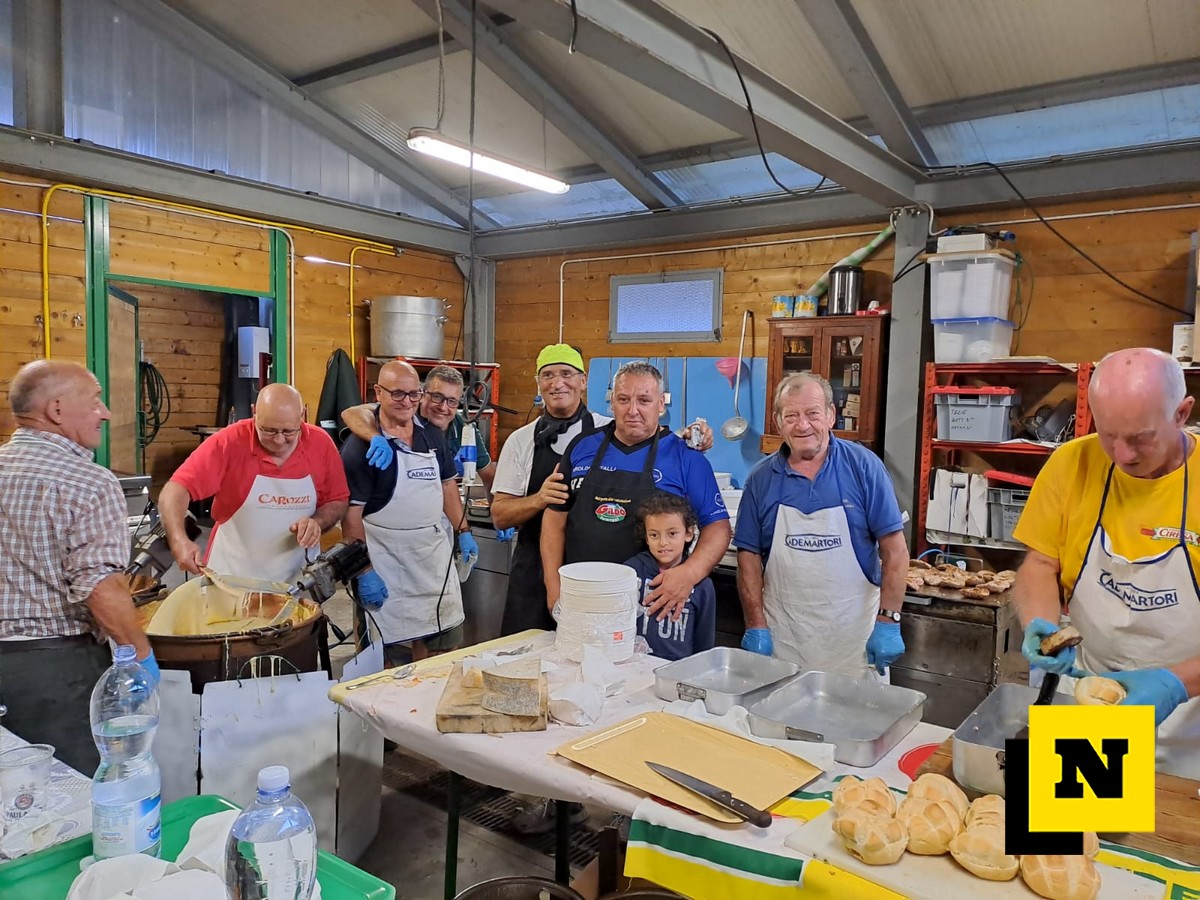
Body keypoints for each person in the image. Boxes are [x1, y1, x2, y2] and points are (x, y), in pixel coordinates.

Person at [1013, 347, 1200, 779]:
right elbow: (1040, 563)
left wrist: (1175, 684)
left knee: (1169, 826)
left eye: (1140, 438)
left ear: (1182, 413)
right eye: (1107, 434)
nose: (1121, 454)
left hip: (1190, 721)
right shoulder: (1070, 464)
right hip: (1090, 697)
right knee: (1068, 821)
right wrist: (1042, 624)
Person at [0, 360, 159, 772]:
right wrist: (141, 657)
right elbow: (99, 588)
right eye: (95, 401)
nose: (104, 413)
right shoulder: (88, 481)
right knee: (68, 792)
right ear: (56, 409)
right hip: (53, 672)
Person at [734, 372, 908, 680]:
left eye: (812, 414)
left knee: (857, 712)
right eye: (791, 416)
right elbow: (748, 558)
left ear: (830, 415)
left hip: (854, 646)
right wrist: (755, 625)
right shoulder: (760, 480)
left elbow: (894, 552)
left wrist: (889, 620)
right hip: (785, 643)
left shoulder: (864, 468)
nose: (802, 425)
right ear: (777, 421)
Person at [541, 361, 730, 623]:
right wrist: (553, 587)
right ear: (612, 403)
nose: (632, 410)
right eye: (623, 399)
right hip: (583, 599)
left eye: (644, 400)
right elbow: (555, 518)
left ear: (661, 405)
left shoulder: (686, 457)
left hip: (655, 605)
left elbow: (718, 527)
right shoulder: (583, 445)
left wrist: (689, 573)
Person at [340, 361, 477, 660]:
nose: (407, 401)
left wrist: (464, 530)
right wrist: (364, 570)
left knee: (442, 646)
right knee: (382, 657)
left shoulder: (432, 435)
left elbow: (447, 486)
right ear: (378, 392)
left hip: (432, 559)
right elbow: (350, 517)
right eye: (398, 394)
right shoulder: (361, 447)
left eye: (414, 394)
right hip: (386, 561)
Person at [159, 383, 349, 584]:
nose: (278, 440)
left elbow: (338, 500)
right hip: (231, 578)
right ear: (254, 412)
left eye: (288, 432)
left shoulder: (321, 444)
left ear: (301, 415)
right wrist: (178, 540)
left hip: (297, 582)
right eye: (269, 431)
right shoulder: (229, 442)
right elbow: (175, 490)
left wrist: (317, 523)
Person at [341, 365, 497, 488]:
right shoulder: (404, 411)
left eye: (452, 401)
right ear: (422, 394)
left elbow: (489, 475)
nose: (443, 407)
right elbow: (351, 413)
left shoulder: (465, 429)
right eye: (437, 397)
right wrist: (376, 437)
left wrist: (496, 513)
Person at [625, 492, 716, 660]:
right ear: (646, 537)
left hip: (678, 669)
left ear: (689, 533)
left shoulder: (702, 586)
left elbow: (704, 642)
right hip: (633, 666)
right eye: (654, 535)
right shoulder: (630, 572)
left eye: (672, 533)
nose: (663, 542)